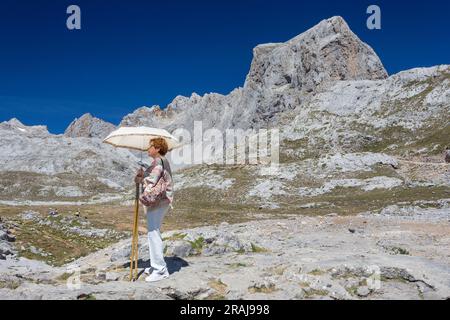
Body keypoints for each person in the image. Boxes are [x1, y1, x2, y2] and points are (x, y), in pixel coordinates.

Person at [134, 137, 174, 282]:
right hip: (163, 201)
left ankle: (160, 269)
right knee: (153, 231)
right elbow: (151, 177)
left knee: (153, 232)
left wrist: (142, 179)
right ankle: (155, 265)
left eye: (150, 146)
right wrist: (142, 175)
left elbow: (152, 181)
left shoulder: (158, 162)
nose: (148, 149)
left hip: (159, 202)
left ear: (157, 148)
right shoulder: (160, 162)